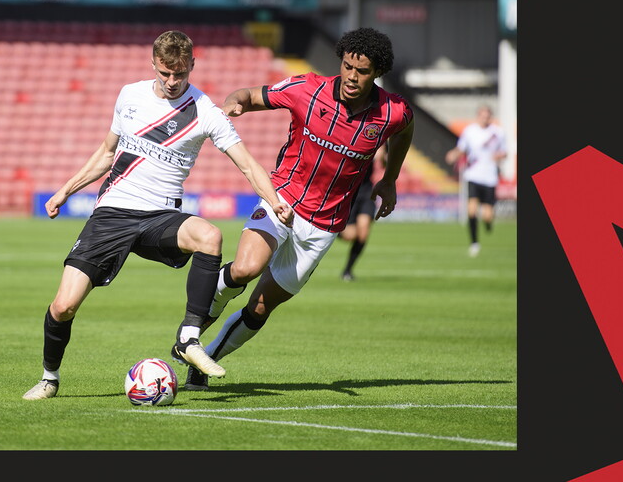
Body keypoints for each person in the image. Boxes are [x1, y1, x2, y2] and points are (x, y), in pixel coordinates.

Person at [22, 30, 294, 400]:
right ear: (153, 65)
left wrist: (274, 200)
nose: (171, 81)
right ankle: (49, 379)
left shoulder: (205, 113)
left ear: (192, 67)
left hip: (161, 216)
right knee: (64, 305)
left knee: (210, 235)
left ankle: (188, 337)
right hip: (113, 214)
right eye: (165, 73)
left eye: (179, 74)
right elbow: (106, 152)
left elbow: (247, 165)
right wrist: (65, 190)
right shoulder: (129, 95)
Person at [185, 27, 415, 391]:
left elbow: (406, 129)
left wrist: (390, 178)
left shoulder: (392, 112)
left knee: (260, 308)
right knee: (245, 267)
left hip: (324, 227)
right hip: (282, 200)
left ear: (377, 72)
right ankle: (190, 332)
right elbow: (248, 94)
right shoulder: (308, 89)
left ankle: (205, 358)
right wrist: (236, 102)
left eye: (363, 70)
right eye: (347, 66)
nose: (352, 77)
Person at [444, 104, 507, 257]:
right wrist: (453, 155)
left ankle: (488, 223)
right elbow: (462, 148)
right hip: (473, 175)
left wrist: (499, 156)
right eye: (482, 115)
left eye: (487, 116)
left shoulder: (497, 133)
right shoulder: (470, 131)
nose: (485, 118)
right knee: (471, 210)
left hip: (489, 177)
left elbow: (504, 152)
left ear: (490, 117)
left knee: (487, 215)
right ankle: (474, 243)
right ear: (478, 116)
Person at [338, 145, 387, 281]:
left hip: (367, 191)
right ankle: (333, 229)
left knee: (363, 232)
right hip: (349, 190)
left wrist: (382, 155)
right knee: (349, 235)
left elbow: (384, 164)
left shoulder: (378, 137)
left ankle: (347, 270)